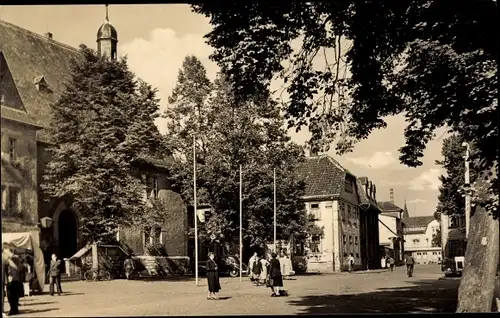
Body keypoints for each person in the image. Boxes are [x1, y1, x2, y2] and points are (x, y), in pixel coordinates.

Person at [5, 251, 22, 316]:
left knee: (10, 295)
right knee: (15, 295)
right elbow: (21, 267)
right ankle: (15, 309)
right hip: (16, 279)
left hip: (11, 279)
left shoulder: (9, 258)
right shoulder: (16, 258)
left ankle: (13, 309)